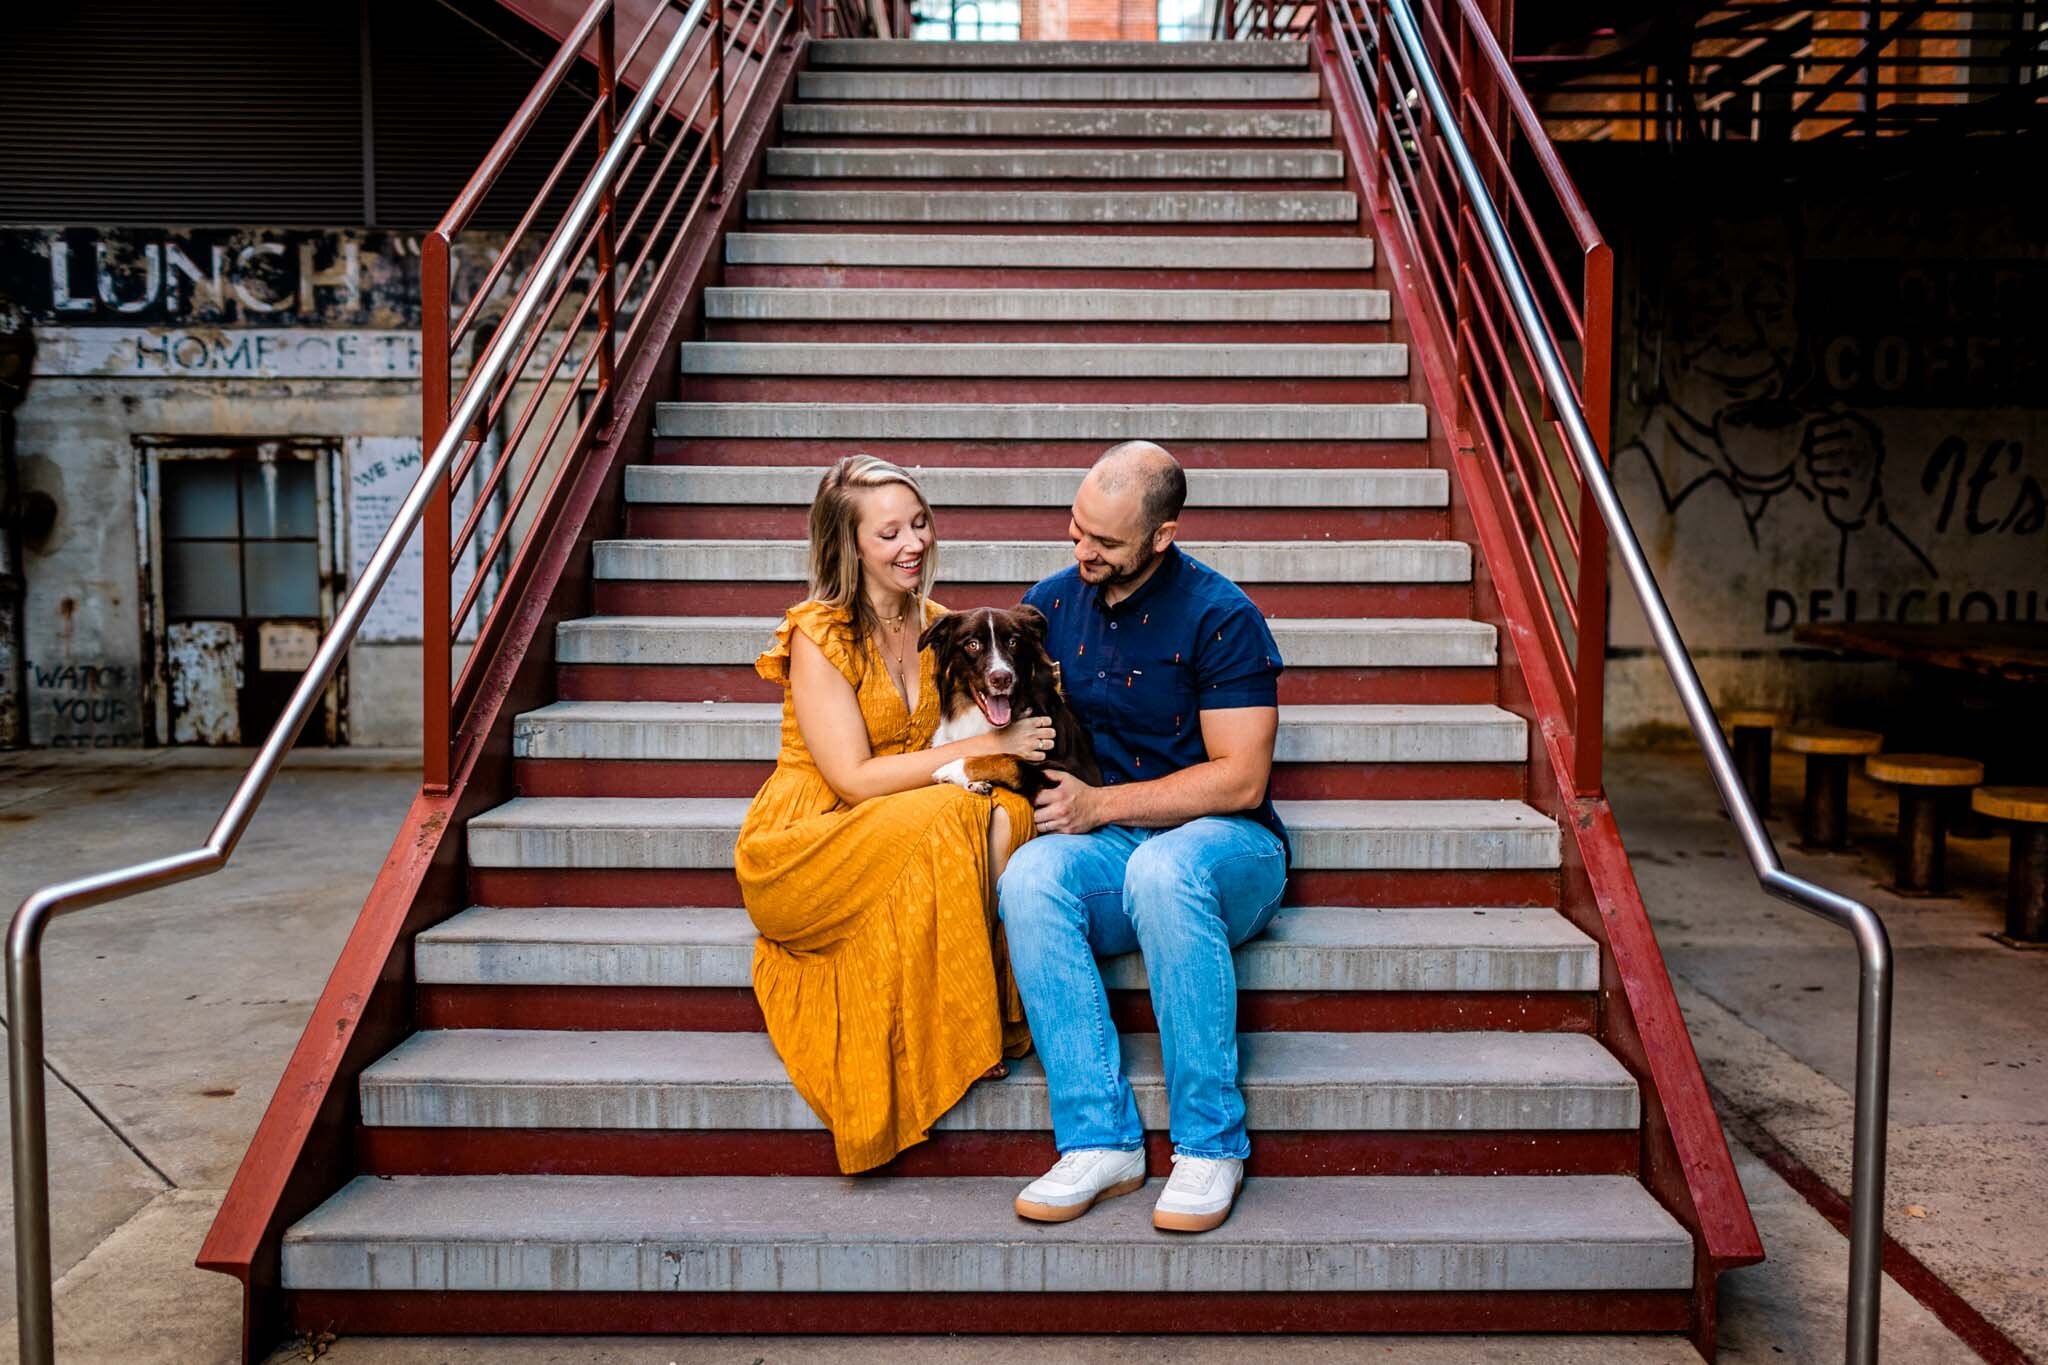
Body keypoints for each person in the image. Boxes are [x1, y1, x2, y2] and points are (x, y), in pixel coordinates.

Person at [736, 454, 1057, 1174]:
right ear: (849, 546)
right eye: (888, 534)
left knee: (1005, 811)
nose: (913, 543)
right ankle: (967, 1027)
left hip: (901, 818)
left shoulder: (942, 625)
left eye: (919, 523)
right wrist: (989, 743)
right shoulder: (821, 634)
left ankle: (971, 1017)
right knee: (954, 812)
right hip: (809, 840)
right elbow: (851, 779)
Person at [999, 440, 1287, 1234]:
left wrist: (1101, 805)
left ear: (1161, 537)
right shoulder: (1053, 604)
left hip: (1226, 848)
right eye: (1076, 529)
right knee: (1028, 875)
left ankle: (1209, 1144)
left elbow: (1242, 779)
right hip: (1115, 846)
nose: (1082, 549)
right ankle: (1101, 1140)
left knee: (1164, 869)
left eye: (1105, 541)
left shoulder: (1220, 614)